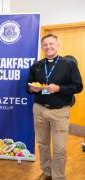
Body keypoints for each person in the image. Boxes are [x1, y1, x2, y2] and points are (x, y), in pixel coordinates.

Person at [27, 34, 83, 180]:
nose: (48, 47)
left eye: (51, 44)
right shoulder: (37, 66)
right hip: (39, 110)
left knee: (60, 149)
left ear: (58, 45)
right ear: (42, 47)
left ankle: (58, 177)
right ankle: (47, 173)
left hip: (60, 112)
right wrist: (32, 89)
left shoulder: (69, 64)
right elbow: (28, 86)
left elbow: (78, 86)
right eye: (45, 44)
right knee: (43, 145)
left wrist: (59, 88)